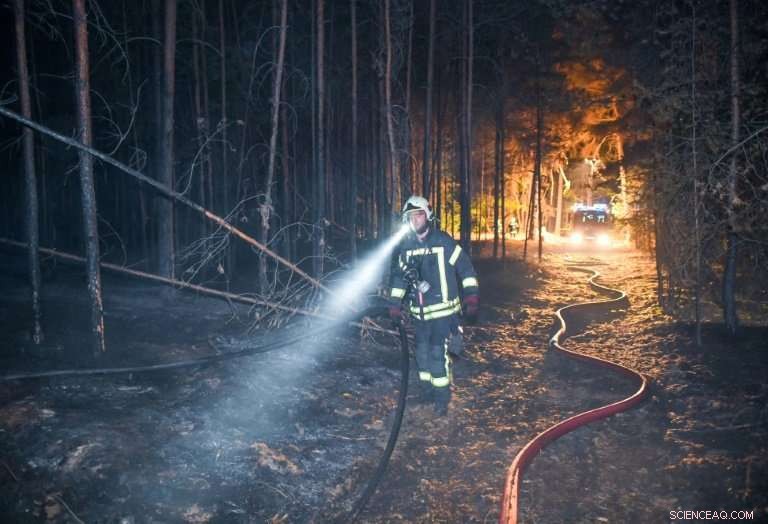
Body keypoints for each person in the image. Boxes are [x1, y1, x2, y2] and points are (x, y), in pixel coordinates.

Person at [388, 195, 479, 416]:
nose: (414, 220)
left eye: (418, 215)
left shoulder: (443, 242)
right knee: (421, 356)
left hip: (444, 314)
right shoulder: (406, 247)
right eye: (410, 216)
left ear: (428, 216)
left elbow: (466, 269)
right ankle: (427, 393)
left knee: (438, 356)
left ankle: (442, 400)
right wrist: (394, 305)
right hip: (420, 316)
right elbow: (399, 278)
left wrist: (471, 298)